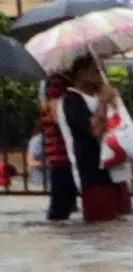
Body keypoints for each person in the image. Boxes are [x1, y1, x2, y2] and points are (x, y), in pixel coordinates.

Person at [59, 62, 133, 223]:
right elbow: (94, 132)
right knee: (102, 225)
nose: (100, 73)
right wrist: (103, 101)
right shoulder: (72, 100)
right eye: (95, 70)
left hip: (116, 173)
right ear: (81, 74)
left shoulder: (102, 95)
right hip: (93, 177)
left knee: (123, 224)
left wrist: (113, 101)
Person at [36, 67, 77, 221]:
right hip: (61, 151)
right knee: (60, 208)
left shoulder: (68, 81)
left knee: (67, 204)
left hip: (71, 153)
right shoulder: (55, 81)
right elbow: (56, 116)